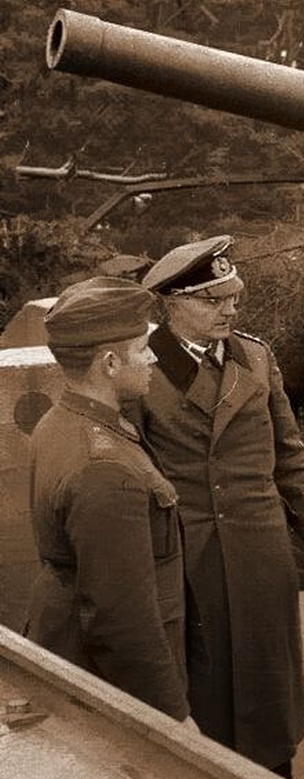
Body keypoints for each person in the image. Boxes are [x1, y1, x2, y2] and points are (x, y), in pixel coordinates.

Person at [134, 235, 304, 778]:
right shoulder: (143, 368)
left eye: (232, 297)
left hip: (260, 547)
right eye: (212, 300)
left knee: (269, 677)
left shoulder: (255, 356)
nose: (229, 308)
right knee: (206, 679)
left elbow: (290, 453)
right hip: (190, 553)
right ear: (171, 304)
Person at [25, 279, 197, 728]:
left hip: (70, 650)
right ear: (109, 363)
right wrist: (175, 718)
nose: (154, 358)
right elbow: (122, 621)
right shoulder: (105, 467)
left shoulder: (61, 421)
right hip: (110, 680)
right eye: (143, 349)